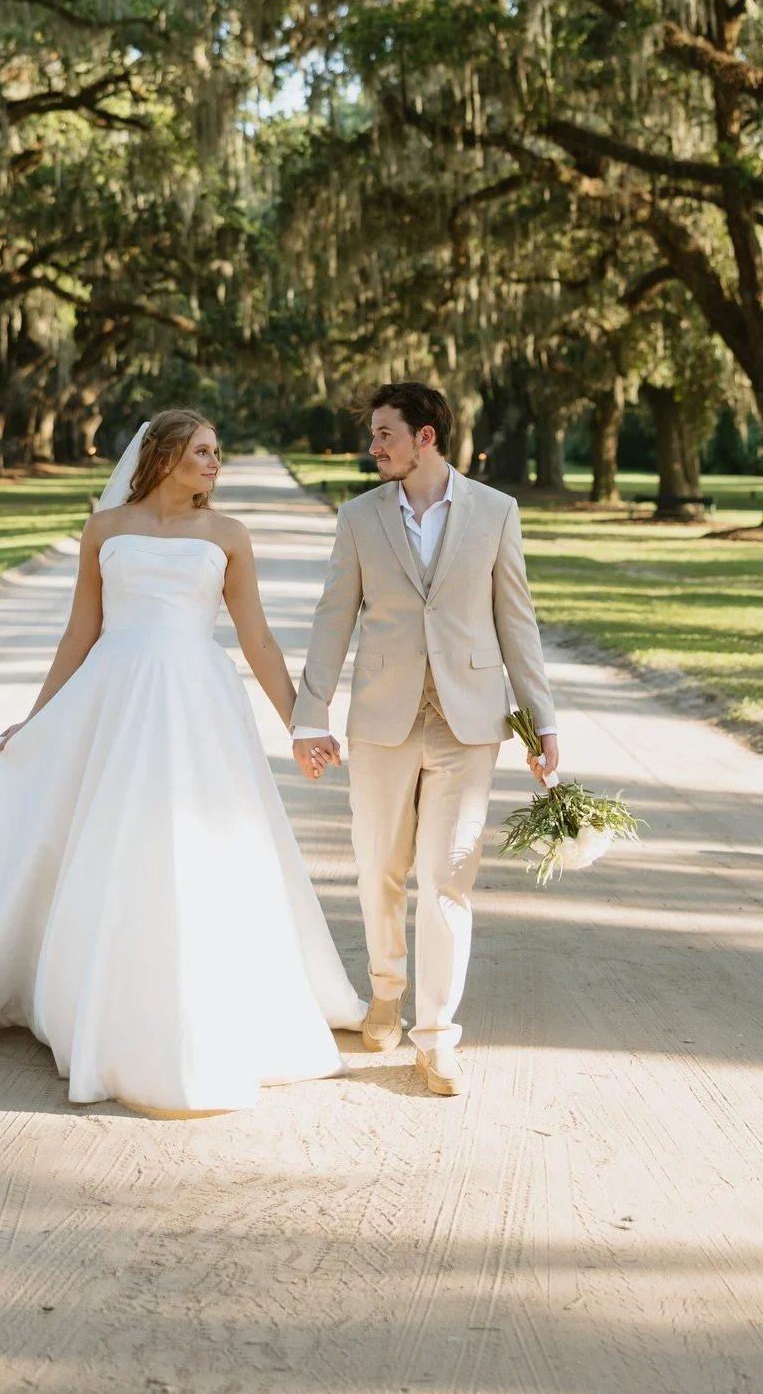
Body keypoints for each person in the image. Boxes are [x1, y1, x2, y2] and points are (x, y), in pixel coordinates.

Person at [0, 408, 363, 1115]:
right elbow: (78, 635)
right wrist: (35, 724)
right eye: (204, 452)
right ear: (162, 457)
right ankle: (82, 990)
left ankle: (193, 999)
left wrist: (303, 726)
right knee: (100, 838)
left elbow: (260, 643)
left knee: (188, 844)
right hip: (111, 697)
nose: (216, 464)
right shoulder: (106, 530)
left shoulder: (227, 536)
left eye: (218, 453)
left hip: (193, 703)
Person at [291, 382, 559, 1098]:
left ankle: (437, 1036)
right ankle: (385, 991)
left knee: (447, 880)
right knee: (381, 866)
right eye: (375, 436)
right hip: (382, 719)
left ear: (426, 437)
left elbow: (516, 621)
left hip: (468, 725)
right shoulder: (358, 517)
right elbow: (332, 618)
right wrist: (309, 715)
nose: (372, 447)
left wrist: (542, 720)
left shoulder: (495, 512)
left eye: (384, 434)